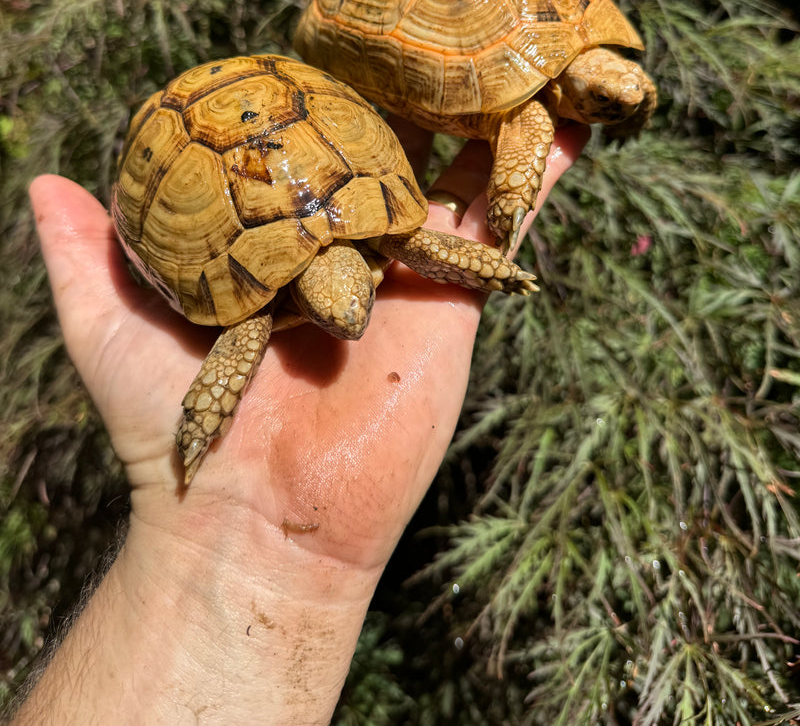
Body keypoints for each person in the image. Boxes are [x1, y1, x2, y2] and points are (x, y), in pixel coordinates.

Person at [12, 123, 587, 725]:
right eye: (330, 315)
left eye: (355, 308)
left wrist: (486, 266)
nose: (351, 327)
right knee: (252, 323)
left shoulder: (374, 259)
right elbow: (249, 333)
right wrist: (204, 461)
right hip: (196, 148)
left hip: (331, 178)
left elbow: (421, 246)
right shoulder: (259, 317)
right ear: (304, 299)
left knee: (416, 247)